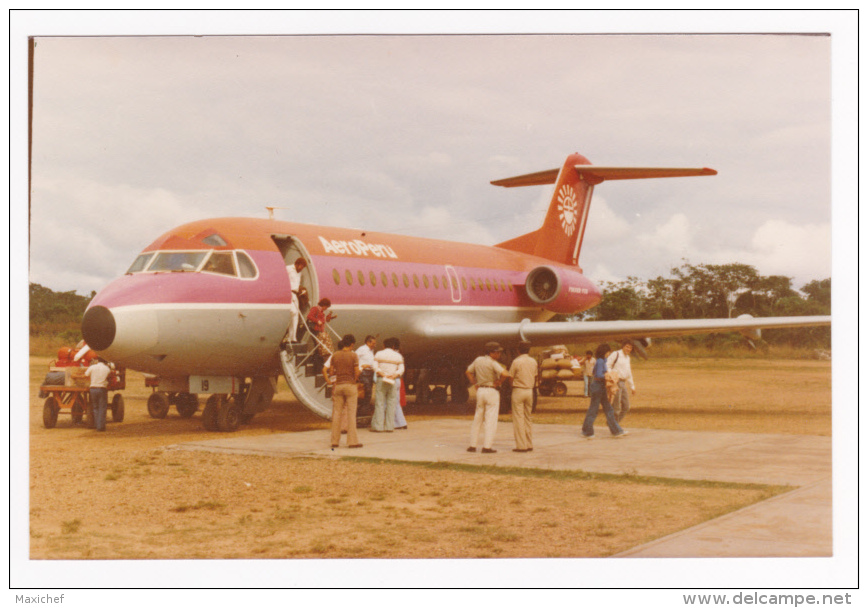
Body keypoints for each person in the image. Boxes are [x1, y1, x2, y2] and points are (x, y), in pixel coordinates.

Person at [465, 341, 511, 454]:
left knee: (478, 418)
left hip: (480, 390)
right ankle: (487, 446)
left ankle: (472, 445)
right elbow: (505, 374)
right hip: (491, 390)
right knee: (491, 419)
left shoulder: (478, 360)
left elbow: (468, 372)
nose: (499, 355)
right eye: (497, 352)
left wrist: (474, 382)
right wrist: (499, 382)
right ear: (492, 353)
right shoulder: (493, 363)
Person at [323, 334, 363, 449]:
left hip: (338, 386)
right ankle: (352, 441)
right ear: (351, 344)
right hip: (350, 385)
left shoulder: (335, 355)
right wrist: (359, 372)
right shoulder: (354, 355)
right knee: (351, 414)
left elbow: (331, 373)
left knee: (336, 414)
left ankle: (334, 441)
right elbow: (356, 373)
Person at [581, 343, 627, 439]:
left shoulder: (602, 361)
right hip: (598, 386)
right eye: (608, 352)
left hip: (600, 387)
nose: (608, 353)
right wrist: (609, 376)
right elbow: (598, 375)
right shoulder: (600, 361)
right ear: (604, 352)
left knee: (608, 409)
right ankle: (587, 431)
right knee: (594, 409)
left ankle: (616, 430)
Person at [509, 341, 538, 453]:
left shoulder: (516, 361)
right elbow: (535, 375)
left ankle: (521, 445)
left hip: (518, 390)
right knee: (527, 417)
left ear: (518, 350)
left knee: (518, 418)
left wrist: (512, 385)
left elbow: (511, 376)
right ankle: (529, 443)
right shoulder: (533, 361)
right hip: (529, 391)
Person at [371, 337, 404, 432]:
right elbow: (401, 369)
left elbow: (374, 366)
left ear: (384, 345)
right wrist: (394, 375)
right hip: (392, 380)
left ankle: (378, 426)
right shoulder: (398, 356)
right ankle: (390, 426)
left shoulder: (379, 354)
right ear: (393, 346)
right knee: (391, 403)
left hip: (382, 379)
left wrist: (381, 373)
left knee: (380, 403)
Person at [607, 340, 636, 422]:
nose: (628, 349)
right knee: (616, 407)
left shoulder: (627, 358)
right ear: (623, 346)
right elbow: (607, 365)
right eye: (627, 346)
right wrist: (612, 376)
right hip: (616, 382)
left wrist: (632, 387)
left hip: (623, 383)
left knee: (626, 407)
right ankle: (615, 427)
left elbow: (628, 373)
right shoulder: (616, 354)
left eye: (630, 347)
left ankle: (613, 424)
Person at [84, 357, 112, 432]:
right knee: (102, 408)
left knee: (95, 407)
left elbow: (86, 375)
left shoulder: (92, 367)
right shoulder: (107, 369)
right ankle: (101, 426)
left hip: (93, 388)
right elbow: (109, 377)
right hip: (102, 389)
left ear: (97, 360)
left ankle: (97, 425)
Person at [306, 298, 336, 367]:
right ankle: (316, 363)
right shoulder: (315, 309)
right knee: (318, 347)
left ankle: (317, 363)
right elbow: (309, 316)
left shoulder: (321, 311)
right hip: (314, 329)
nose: (326, 308)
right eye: (326, 307)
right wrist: (317, 321)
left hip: (320, 330)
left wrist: (330, 317)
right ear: (324, 305)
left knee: (318, 347)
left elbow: (324, 320)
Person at [285, 257, 307, 343]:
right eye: (301, 266)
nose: (301, 268)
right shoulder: (288, 269)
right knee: (292, 312)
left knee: (295, 315)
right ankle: (287, 336)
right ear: (297, 264)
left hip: (295, 294)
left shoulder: (299, 273)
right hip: (288, 293)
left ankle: (292, 337)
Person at [355, 335, 377, 412]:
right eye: (373, 343)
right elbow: (355, 358)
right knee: (366, 389)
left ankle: (365, 408)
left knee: (369, 391)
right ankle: (362, 407)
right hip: (363, 372)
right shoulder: (362, 349)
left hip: (370, 372)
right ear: (368, 342)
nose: (374, 345)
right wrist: (359, 369)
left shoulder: (371, 350)